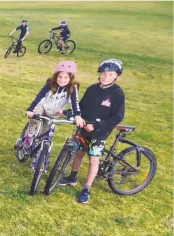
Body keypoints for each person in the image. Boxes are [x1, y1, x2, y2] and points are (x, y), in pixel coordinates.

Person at [59, 59, 126, 204]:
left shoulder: (117, 93)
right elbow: (81, 107)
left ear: (116, 76)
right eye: (103, 74)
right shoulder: (92, 89)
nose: (105, 77)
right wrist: (69, 113)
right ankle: (72, 177)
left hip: (100, 132)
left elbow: (118, 116)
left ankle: (87, 188)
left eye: (110, 74)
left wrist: (97, 126)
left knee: (93, 160)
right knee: (78, 153)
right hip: (83, 128)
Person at [15, 61, 84, 149]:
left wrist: (77, 116)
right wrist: (30, 110)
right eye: (60, 77)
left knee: (44, 134)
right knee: (35, 120)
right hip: (43, 107)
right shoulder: (50, 84)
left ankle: (40, 153)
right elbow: (39, 96)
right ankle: (27, 138)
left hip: (54, 114)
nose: (62, 80)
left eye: (66, 77)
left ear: (71, 78)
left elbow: (75, 103)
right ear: (56, 76)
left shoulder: (72, 88)